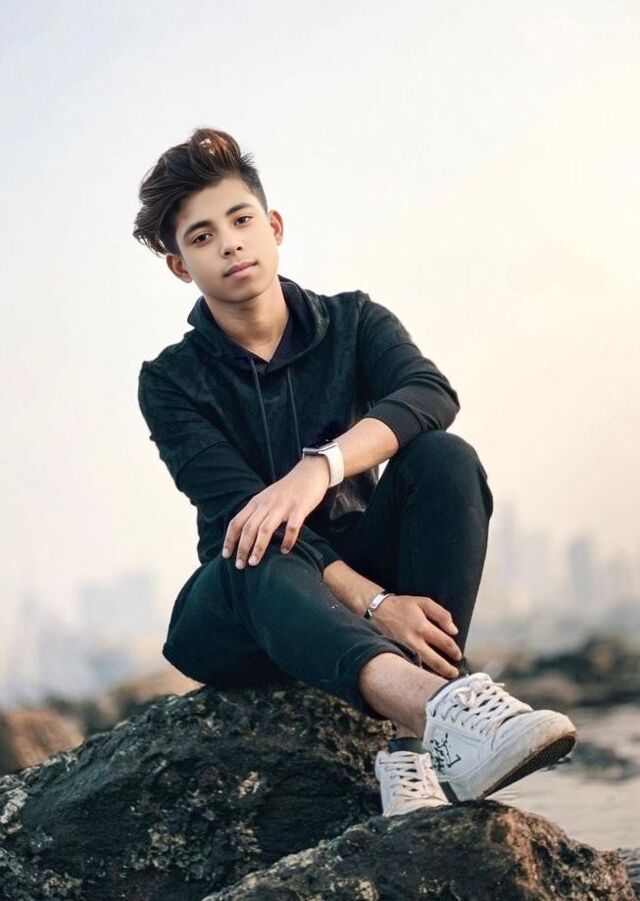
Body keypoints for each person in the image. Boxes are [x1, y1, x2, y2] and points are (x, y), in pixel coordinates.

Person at [133, 127, 577, 817]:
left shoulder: (353, 321)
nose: (230, 244)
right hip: (250, 605)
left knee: (444, 458)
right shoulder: (170, 381)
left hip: (356, 561)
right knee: (254, 541)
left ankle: (410, 757)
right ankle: (443, 712)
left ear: (274, 227)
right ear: (179, 266)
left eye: (242, 220)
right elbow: (246, 513)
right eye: (202, 236)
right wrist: (376, 605)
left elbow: (429, 393)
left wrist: (322, 466)